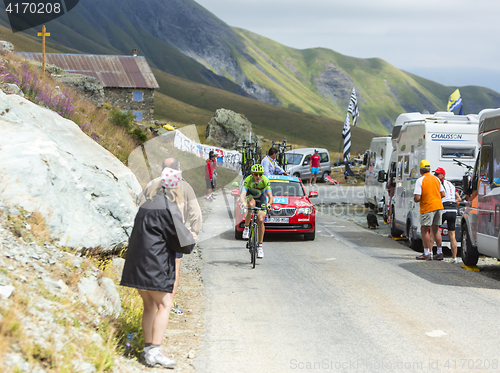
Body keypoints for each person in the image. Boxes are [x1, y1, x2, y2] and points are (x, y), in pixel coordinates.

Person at [120, 167, 195, 369]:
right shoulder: (169, 208)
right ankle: (155, 350)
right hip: (155, 266)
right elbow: (182, 242)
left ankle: (146, 349)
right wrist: (191, 238)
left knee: (149, 306)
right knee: (165, 304)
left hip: (136, 265)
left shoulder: (146, 205)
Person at [141, 158, 202, 314]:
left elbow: (140, 203)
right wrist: (194, 230)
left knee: (153, 266)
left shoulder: (153, 183)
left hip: (153, 233)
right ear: (179, 168)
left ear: (162, 169)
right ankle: (168, 305)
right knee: (174, 270)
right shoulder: (185, 186)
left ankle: (153, 302)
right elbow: (196, 212)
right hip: (176, 234)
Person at [240, 164, 273, 259]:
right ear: (252, 174)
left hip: (261, 198)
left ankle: (260, 246)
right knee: (250, 205)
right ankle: (246, 228)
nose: (258, 176)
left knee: (261, 219)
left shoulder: (265, 180)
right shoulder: (248, 180)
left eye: (260, 174)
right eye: (255, 174)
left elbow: (270, 196)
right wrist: (243, 203)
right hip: (251, 196)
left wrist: (269, 204)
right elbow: (243, 194)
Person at [414, 160, 445, 260]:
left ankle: (427, 252)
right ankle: (439, 252)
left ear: (421, 170)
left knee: (425, 230)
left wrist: (416, 198)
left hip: (428, 207)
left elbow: (418, 198)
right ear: (429, 169)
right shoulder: (436, 179)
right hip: (438, 206)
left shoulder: (420, 180)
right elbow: (443, 194)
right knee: (436, 230)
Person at [432, 167, 461, 263]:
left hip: (444, 209)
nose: (435, 176)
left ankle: (432, 252)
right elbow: (459, 198)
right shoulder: (451, 185)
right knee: (452, 234)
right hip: (453, 210)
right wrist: (451, 201)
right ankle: (454, 258)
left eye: (437, 174)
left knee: (434, 230)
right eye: (435, 174)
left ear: (443, 175)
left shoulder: (439, 183)